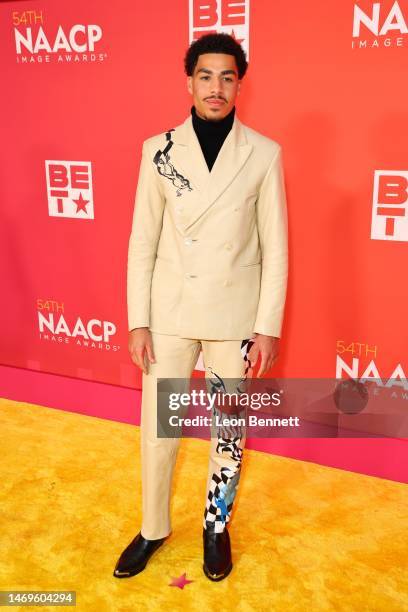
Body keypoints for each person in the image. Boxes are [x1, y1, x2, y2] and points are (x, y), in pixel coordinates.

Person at [113, 32, 288, 582]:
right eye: (206, 75)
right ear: (189, 81)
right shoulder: (158, 150)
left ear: (240, 83)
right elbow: (143, 239)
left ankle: (216, 525)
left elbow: (276, 247)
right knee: (160, 429)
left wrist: (266, 328)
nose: (217, 87)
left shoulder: (263, 153)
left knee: (228, 430)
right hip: (170, 316)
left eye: (228, 76)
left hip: (233, 320)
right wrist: (139, 319)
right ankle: (153, 527)